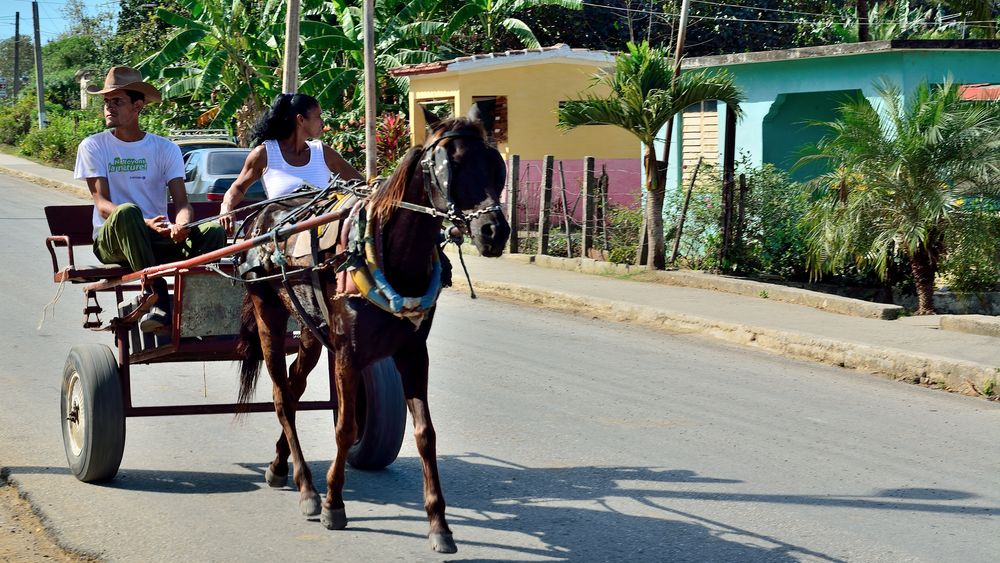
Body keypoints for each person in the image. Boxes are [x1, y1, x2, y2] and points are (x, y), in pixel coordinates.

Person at [74, 66, 226, 333]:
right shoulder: (94, 146)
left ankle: (199, 305)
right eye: (106, 102)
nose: (109, 108)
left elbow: (181, 203)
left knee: (212, 232)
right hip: (113, 241)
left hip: (156, 238)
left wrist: (181, 225)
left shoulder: (164, 148)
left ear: (138, 106)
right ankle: (158, 298)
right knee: (127, 211)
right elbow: (102, 204)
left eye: (117, 101)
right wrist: (146, 222)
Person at [219, 93, 362, 235]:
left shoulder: (323, 152)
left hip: (321, 232)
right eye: (318, 116)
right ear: (300, 119)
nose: (322, 123)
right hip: (280, 237)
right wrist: (226, 208)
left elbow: (360, 184)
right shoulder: (264, 154)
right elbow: (238, 188)